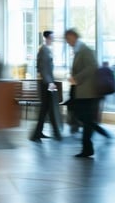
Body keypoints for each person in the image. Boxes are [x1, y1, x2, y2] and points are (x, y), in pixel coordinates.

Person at [64, 28, 100, 157]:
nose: (67, 42)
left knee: (86, 119)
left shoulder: (85, 50)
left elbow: (92, 66)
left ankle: (88, 147)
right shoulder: (79, 51)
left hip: (87, 92)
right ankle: (87, 147)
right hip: (81, 92)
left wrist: (77, 78)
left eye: (68, 39)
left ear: (73, 36)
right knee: (83, 117)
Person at [30, 30, 62, 142]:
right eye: (52, 37)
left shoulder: (46, 50)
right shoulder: (44, 50)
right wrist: (50, 83)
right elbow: (43, 69)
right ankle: (55, 133)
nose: (53, 39)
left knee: (46, 108)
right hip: (46, 84)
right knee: (48, 107)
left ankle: (38, 133)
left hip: (47, 83)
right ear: (47, 38)